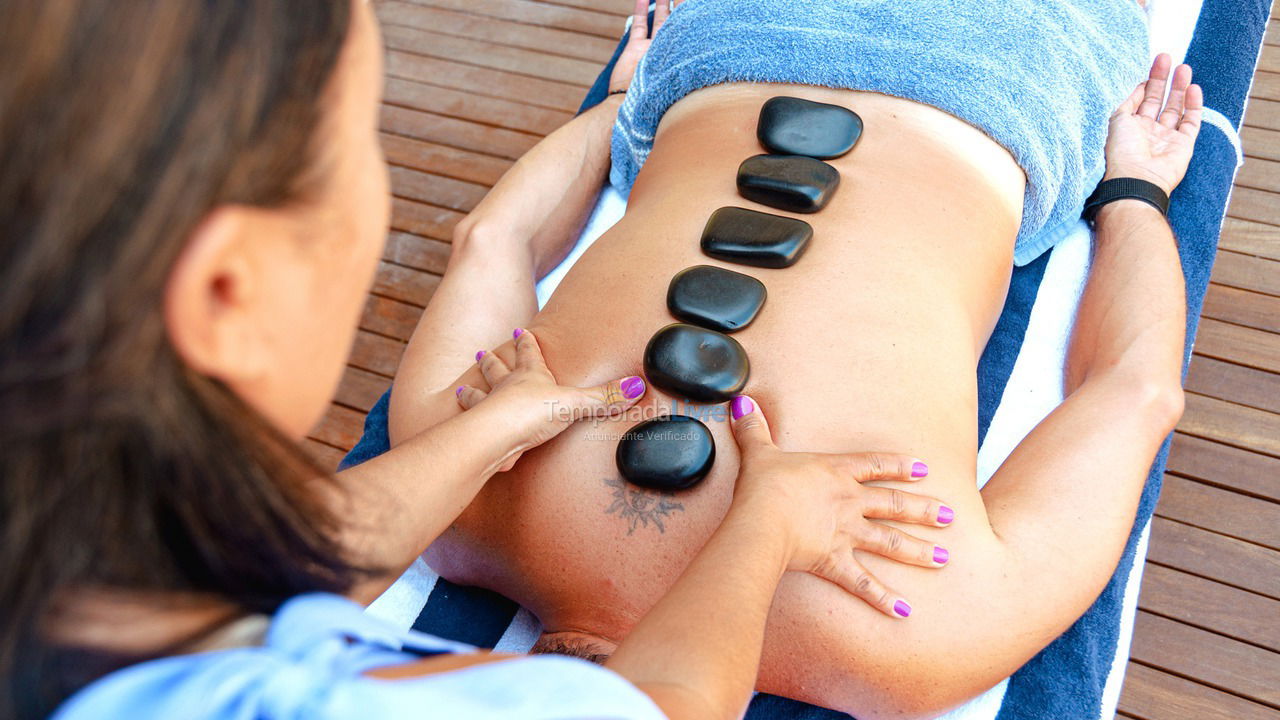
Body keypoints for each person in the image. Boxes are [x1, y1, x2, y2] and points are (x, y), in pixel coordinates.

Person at [0, 1, 954, 719]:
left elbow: (282, 558)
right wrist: (767, 526)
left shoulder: (74, 560)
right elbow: (663, 703)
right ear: (227, 293)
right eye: (358, 147)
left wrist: (488, 430)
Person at [382, 0, 1202, 717]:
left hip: (1004, 78)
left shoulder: (912, 638)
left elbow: (1135, 393)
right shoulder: (445, 490)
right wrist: (633, 102)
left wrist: (1135, 191)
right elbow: (493, 241)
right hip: (739, 51)